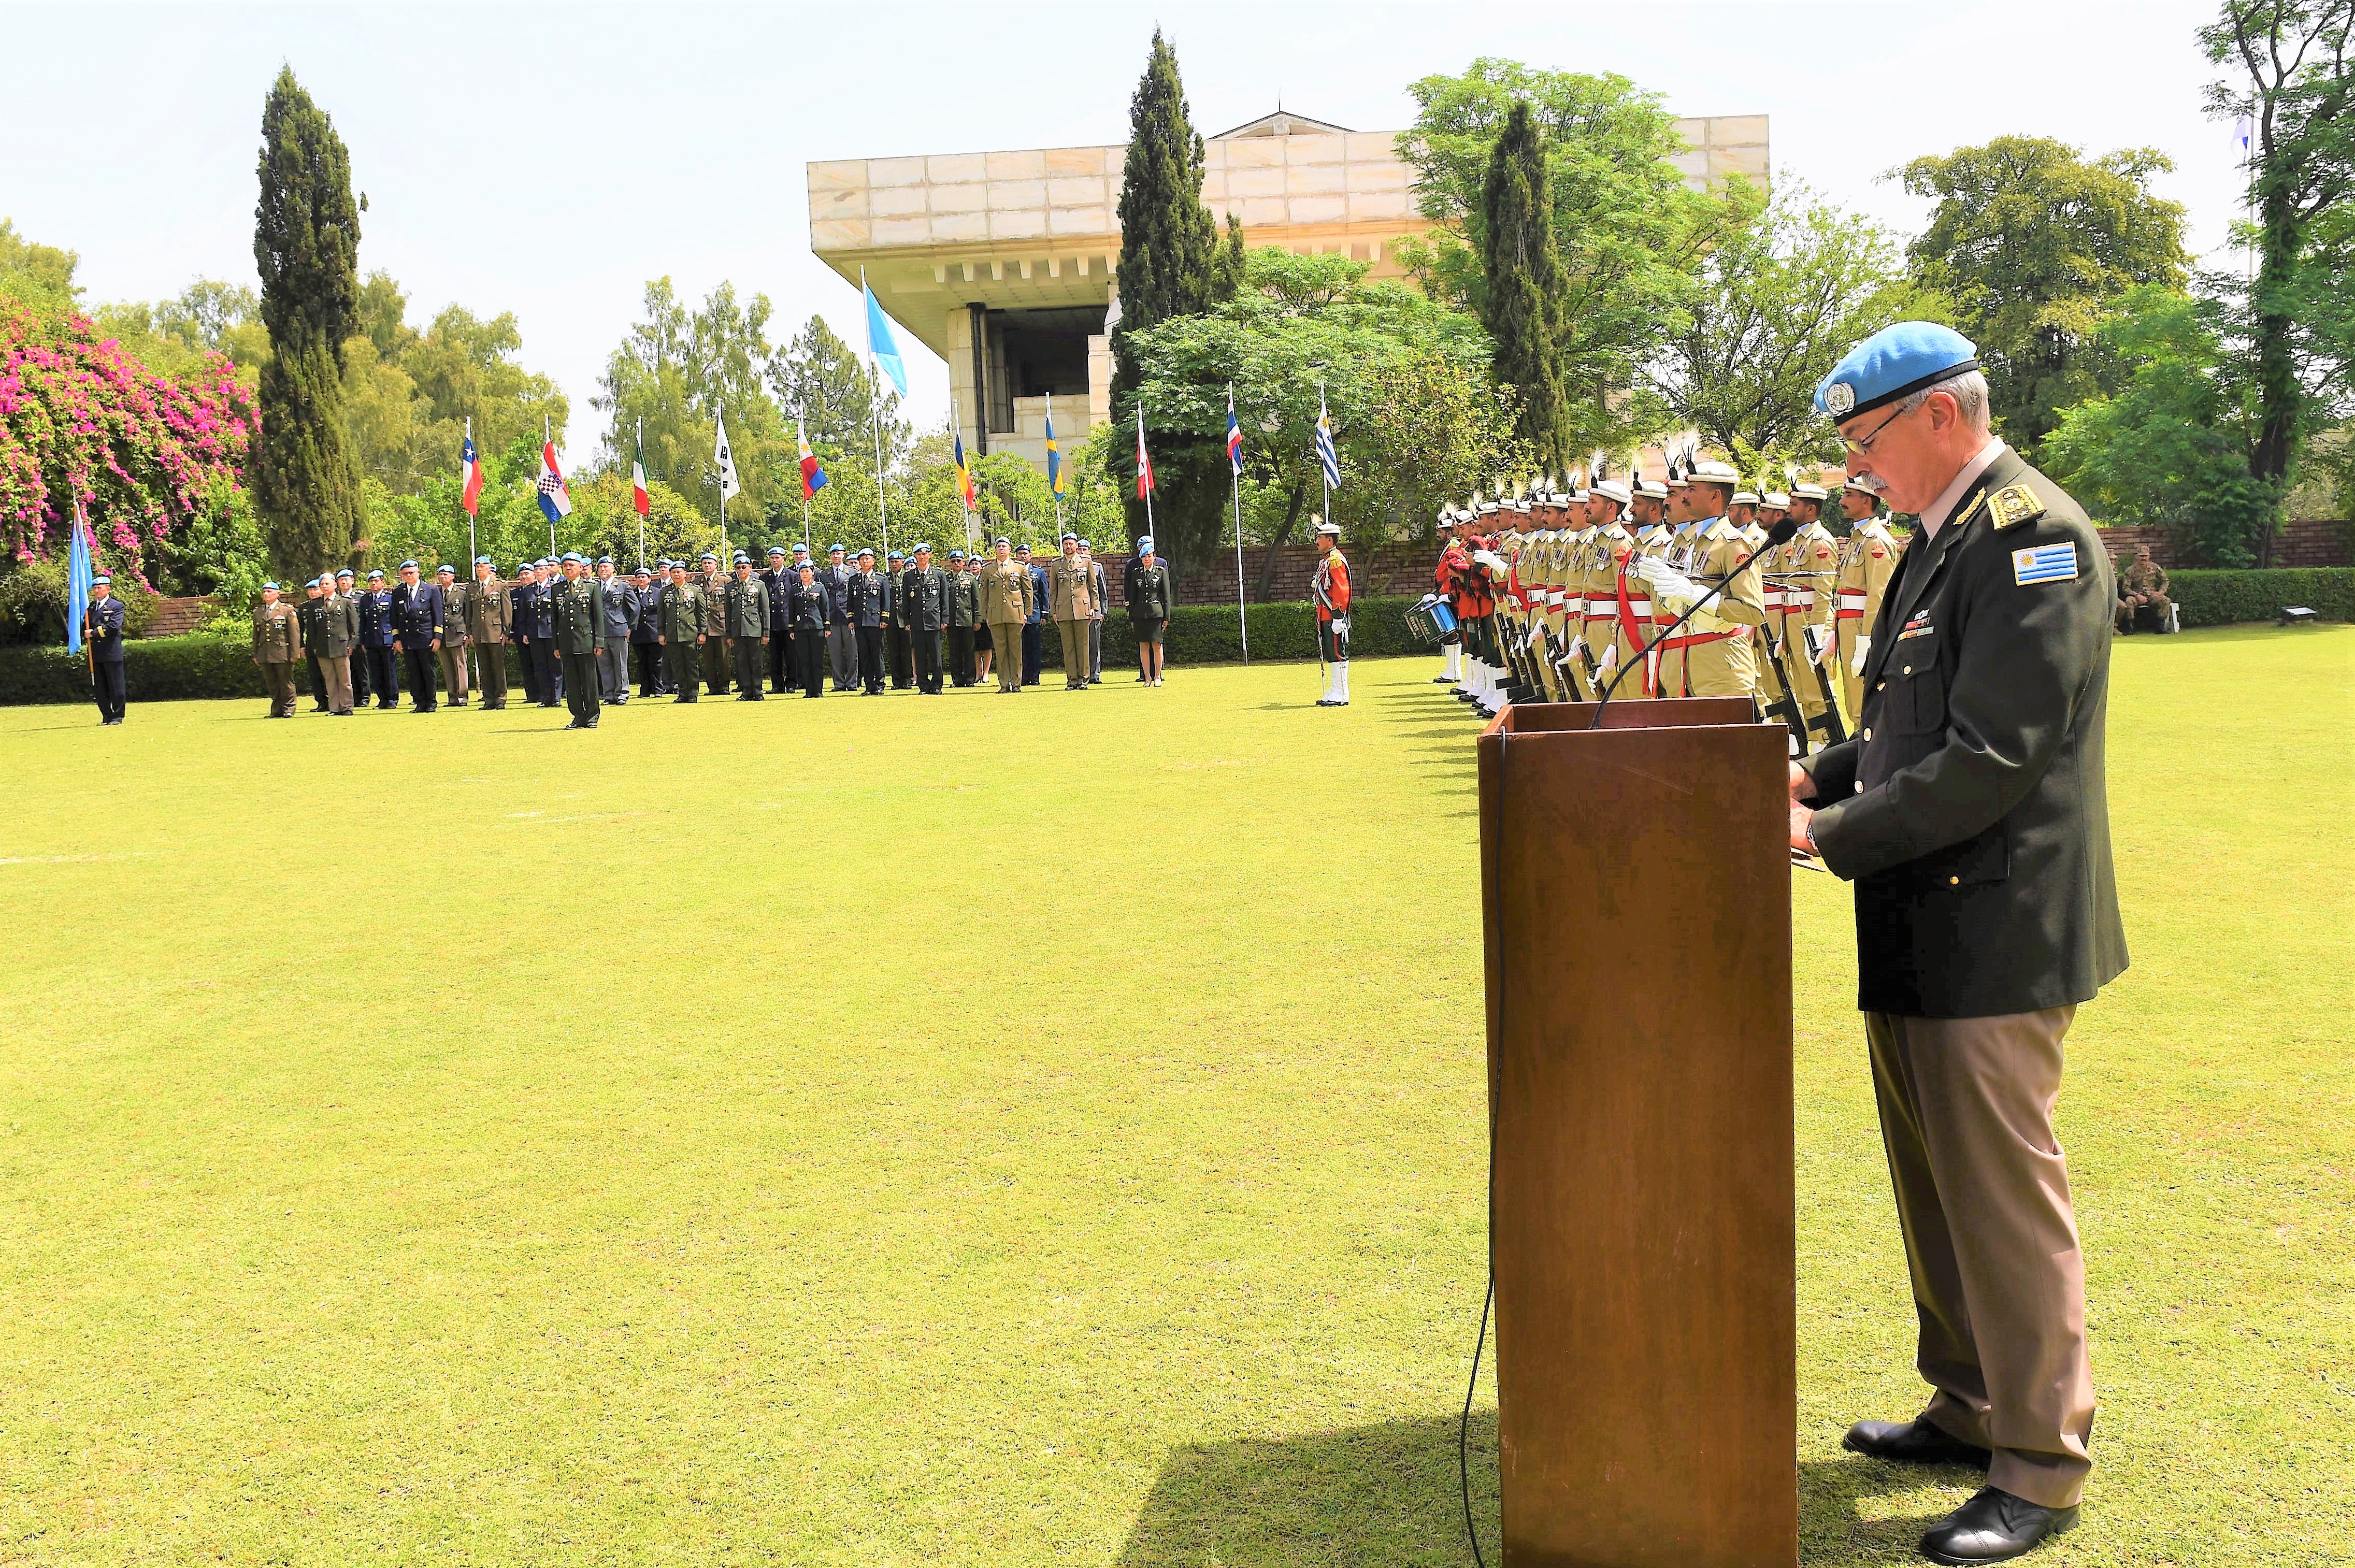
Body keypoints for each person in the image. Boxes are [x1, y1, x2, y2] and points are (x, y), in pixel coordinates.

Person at [1792, 322, 2124, 1565]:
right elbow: (1906, 727)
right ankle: (1970, 1402)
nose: (1856, 465)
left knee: (2000, 1200)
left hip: (1993, 921)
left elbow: (1993, 754)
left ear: (1941, 413)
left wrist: (1822, 831)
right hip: (1921, 914)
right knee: (1935, 1186)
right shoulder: (1940, 538)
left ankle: (2038, 1462)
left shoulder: (2031, 538)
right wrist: (1811, 773)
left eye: (1866, 438)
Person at [1834, 479, 1899, 722]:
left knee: (1863, 701)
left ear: (1867, 500)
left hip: (1861, 627)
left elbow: (1878, 595)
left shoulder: (1875, 540)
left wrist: (1867, 640)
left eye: (1849, 496)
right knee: (1853, 698)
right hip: (1848, 624)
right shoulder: (1858, 538)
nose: (1842, 501)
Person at [549, 552, 607, 729]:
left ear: (581, 568)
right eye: (565, 565)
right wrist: (556, 645)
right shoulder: (557, 589)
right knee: (572, 684)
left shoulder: (591, 588)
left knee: (589, 682)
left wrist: (599, 642)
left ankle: (592, 717)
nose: (568, 568)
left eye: (572, 565)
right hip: (566, 643)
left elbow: (598, 617)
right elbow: (555, 620)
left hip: (586, 641)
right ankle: (578, 717)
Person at [389, 559, 443, 712]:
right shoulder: (398, 592)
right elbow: (394, 618)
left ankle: (431, 702)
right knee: (413, 672)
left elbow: (438, 615)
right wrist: (397, 639)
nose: (409, 576)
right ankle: (419, 702)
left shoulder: (431, 590)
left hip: (425, 637)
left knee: (428, 671)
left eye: (411, 573)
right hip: (408, 638)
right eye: (405, 574)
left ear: (418, 573)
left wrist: (437, 637)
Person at [980, 537, 1032, 694]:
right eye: (999, 546)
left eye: (1004, 546)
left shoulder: (1019, 567)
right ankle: (1004, 684)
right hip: (996, 614)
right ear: (995, 550)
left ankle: (1016, 684)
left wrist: (1027, 613)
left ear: (1010, 550)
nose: (1001, 549)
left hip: (1015, 613)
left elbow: (1028, 591)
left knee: (1015, 650)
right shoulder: (988, 570)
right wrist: (985, 615)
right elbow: (984, 594)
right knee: (1001, 651)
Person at [902, 542, 950, 694]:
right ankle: (923, 686)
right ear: (915, 556)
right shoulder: (909, 576)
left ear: (930, 555)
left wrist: (945, 619)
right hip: (917, 622)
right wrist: (907, 621)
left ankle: (937, 685)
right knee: (920, 656)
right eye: (919, 554)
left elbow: (944, 599)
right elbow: (906, 601)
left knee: (936, 656)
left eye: (925, 554)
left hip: (934, 620)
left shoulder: (938, 574)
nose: (922, 557)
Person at [1312, 521, 1352, 706]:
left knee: (1337, 652)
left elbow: (1342, 591)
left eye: (1320, 538)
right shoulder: (1327, 560)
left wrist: (1338, 617)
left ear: (1330, 540)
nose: (1317, 542)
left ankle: (1342, 693)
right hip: (1325, 614)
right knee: (1331, 653)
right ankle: (1335, 690)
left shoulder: (1335, 560)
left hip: (1334, 615)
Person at [1047, 533, 1094, 689]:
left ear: (1076, 545)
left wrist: (1094, 608)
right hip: (1064, 610)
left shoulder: (1086, 562)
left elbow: (1093, 587)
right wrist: (1053, 611)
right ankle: (1072, 680)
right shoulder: (1056, 565)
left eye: (1071, 544)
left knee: (1083, 647)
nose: (1068, 546)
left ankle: (1084, 680)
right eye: (1066, 544)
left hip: (1082, 609)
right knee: (1068, 648)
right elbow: (1053, 590)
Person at [252, 580, 303, 718]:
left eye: (270, 591)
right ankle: (277, 709)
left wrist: (295, 653)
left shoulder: (287, 610)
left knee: (286, 682)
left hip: (282, 652)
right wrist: (255, 653)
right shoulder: (259, 612)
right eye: (264, 592)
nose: (266, 594)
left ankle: (289, 708)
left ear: (278, 594)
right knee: (272, 683)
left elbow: (294, 634)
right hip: (265, 652)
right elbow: (256, 635)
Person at [1126, 535, 1173, 686]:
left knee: (1157, 646)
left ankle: (1158, 676)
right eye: (1144, 556)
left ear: (1154, 557)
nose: (1147, 559)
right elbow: (1132, 596)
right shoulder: (1136, 573)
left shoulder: (1161, 571)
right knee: (1144, 646)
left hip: (1156, 613)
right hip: (1140, 614)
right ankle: (1147, 678)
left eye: (1149, 556)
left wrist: (1167, 616)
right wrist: (1131, 617)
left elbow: (1166, 596)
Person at [468, 557, 512, 710]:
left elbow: (507, 611)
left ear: (489, 568)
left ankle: (500, 698)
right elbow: (469, 612)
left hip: (495, 631)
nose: (480, 569)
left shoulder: (500, 586)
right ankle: (488, 699)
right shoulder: (472, 587)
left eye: (483, 566)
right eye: (478, 567)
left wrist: (506, 631)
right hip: (479, 632)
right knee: (484, 667)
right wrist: (470, 632)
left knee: (498, 667)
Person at [84, 571, 127, 724]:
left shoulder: (116, 606)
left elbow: (113, 627)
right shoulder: (90, 608)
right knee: (101, 688)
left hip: (111, 652)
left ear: (108, 589)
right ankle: (106, 716)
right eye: (95, 588)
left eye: (100, 588)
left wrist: (93, 633)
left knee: (116, 687)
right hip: (96, 653)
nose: (97, 591)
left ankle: (117, 716)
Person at [658, 562, 705, 701]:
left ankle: (693, 694)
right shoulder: (665, 591)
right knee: (678, 666)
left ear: (685, 574)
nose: (676, 575)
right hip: (673, 634)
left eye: (679, 572)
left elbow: (702, 613)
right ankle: (683, 694)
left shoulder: (694, 590)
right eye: (674, 572)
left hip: (690, 633)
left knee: (691, 666)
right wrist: (661, 633)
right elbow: (661, 615)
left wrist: (703, 632)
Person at [724, 552, 769, 699]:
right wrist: (729, 634)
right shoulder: (730, 587)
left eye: (744, 567)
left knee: (756, 662)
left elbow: (765, 611)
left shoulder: (759, 585)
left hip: (754, 629)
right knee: (742, 663)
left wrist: (766, 632)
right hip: (738, 630)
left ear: (750, 568)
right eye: (738, 568)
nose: (741, 570)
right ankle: (747, 691)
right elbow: (728, 612)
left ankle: (758, 691)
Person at [313, 572, 358, 715]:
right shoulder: (316, 604)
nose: (325, 586)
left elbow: (354, 626)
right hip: (323, 647)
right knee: (330, 679)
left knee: (345, 679)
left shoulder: (345, 602)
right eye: (322, 584)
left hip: (341, 646)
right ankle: (334, 708)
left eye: (327, 584)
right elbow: (313, 629)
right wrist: (314, 647)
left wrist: (352, 644)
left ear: (334, 585)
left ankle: (347, 707)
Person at [513, 563, 557, 707]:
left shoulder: (554, 588)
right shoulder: (529, 591)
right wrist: (524, 633)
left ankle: (556, 697)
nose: (539, 572)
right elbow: (523, 615)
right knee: (540, 667)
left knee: (555, 667)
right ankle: (545, 698)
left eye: (542, 569)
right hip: (535, 633)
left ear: (548, 571)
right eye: (536, 570)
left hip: (550, 632)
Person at [595, 556, 637, 703]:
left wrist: (631, 627)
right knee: (604, 666)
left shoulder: (623, 586)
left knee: (620, 664)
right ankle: (609, 695)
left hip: (618, 629)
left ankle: (622, 694)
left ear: (613, 569)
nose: (603, 569)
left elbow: (635, 607)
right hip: (601, 632)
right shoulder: (594, 587)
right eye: (601, 567)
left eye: (606, 567)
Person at [849, 546, 890, 694]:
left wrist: (884, 618)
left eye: (868, 559)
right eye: (862, 559)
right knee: (864, 655)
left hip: (875, 622)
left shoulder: (881, 579)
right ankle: (869, 686)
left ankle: (880, 685)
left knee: (877, 654)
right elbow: (850, 602)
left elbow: (886, 600)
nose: (865, 561)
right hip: (860, 622)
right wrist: (851, 619)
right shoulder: (854, 580)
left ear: (873, 561)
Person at [356, 569, 399, 708]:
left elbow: (395, 619)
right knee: (376, 672)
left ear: (383, 582)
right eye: (371, 582)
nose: (374, 584)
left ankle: (392, 699)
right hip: (371, 640)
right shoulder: (365, 600)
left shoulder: (390, 598)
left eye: (376, 581)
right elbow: (363, 622)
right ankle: (382, 699)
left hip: (387, 639)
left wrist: (396, 638)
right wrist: (363, 641)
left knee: (389, 671)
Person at [433, 564, 472, 707]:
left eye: (446, 574)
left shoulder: (461, 593)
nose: (443, 577)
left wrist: (468, 633)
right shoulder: (436, 592)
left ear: (453, 576)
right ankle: (452, 697)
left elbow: (468, 614)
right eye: (441, 574)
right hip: (442, 635)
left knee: (460, 666)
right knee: (448, 668)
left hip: (457, 634)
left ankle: (462, 697)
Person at [822, 542, 858, 692]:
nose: (836, 556)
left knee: (852, 653)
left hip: (849, 618)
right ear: (830, 556)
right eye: (833, 554)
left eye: (839, 553)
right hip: (832, 619)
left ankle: (852, 683)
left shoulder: (853, 573)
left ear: (844, 554)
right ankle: (839, 684)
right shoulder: (824, 575)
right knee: (835, 654)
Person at [2114, 544, 2172, 634]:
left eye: (2145, 556)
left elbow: (2165, 580)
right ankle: (2130, 627)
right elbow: (2125, 588)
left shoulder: (2155, 567)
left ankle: (2160, 627)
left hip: (2151, 595)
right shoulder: (2130, 570)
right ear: (2137, 557)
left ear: (2149, 556)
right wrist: (2137, 595)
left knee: (2166, 600)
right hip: (2136, 596)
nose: (2143, 559)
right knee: (2129, 601)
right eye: (2141, 556)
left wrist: (2160, 592)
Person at [789, 559, 827, 696]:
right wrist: (791, 628)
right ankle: (809, 691)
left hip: (816, 627)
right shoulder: (795, 589)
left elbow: (825, 608)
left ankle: (818, 690)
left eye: (807, 571)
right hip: (801, 629)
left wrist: (827, 626)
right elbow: (792, 610)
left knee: (817, 660)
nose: (805, 574)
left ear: (813, 572)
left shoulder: (819, 587)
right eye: (802, 572)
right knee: (805, 661)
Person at [762, 546, 795, 693]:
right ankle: (777, 685)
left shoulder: (793, 576)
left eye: (778, 558)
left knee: (791, 656)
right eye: (772, 558)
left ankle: (792, 684)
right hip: (773, 622)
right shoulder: (765, 578)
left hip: (788, 622)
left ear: (783, 559)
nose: (775, 560)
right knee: (775, 657)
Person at [698, 552, 731, 696]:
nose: (707, 565)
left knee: (724, 659)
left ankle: (724, 687)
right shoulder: (697, 582)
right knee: (709, 660)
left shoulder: (725, 581)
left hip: (720, 624)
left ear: (716, 565)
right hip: (704, 626)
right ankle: (712, 687)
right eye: (705, 563)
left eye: (710, 563)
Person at [628, 565, 663, 698]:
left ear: (649, 579)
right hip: (639, 633)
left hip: (654, 632)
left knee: (657, 663)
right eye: (639, 577)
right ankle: (645, 690)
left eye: (644, 577)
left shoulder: (658, 592)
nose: (641, 579)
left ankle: (658, 689)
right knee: (642, 662)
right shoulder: (632, 593)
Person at [945, 549, 979, 686]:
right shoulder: (946, 579)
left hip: (967, 620)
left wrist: (978, 620)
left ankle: (970, 679)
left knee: (969, 652)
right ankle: (957, 680)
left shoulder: (970, 579)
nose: (956, 563)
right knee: (955, 652)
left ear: (963, 563)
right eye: (953, 561)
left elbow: (976, 601)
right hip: (952, 621)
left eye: (959, 561)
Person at [337, 570, 370, 706]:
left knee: (361, 668)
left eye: (347, 579)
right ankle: (354, 697)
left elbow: (364, 619)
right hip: (342, 640)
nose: (344, 582)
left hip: (357, 638)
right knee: (348, 670)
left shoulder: (360, 597)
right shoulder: (336, 599)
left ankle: (364, 696)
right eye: (341, 580)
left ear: (353, 581)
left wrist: (363, 638)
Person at [298, 577, 329, 712]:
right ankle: (321, 702)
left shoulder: (326, 604)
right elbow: (300, 630)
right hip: (311, 646)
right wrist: (301, 646)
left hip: (326, 645)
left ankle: (332, 701)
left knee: (328, 675)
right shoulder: (304, 608)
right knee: (315, 675)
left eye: (315, 589)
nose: (312, 592)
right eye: (310, 590)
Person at [1081, 539, 1109, 682]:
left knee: (1094, 645)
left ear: (1090, 551)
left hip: (1095, 612)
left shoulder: (1097, 567)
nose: (1082, 552)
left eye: (1085, 549)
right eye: (1080, 549)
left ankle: (1094, 675)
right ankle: (1082, 674)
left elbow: (1102, 591)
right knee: (1081, 646)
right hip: (1079, 612)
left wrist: (1103, 611)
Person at [1019, 544, 1048, 685]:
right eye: (1020, 553)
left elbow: (1044, 593)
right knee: (1021, 649)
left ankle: (1035, 677)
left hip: (1034, 615)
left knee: (1035, 648)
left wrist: (1044, 614)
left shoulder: (1039, 572)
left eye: (1025, 553)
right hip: (1018, 615)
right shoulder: (1013, 571)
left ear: (1030, 556)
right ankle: (1024, 677)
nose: (1023, 556)